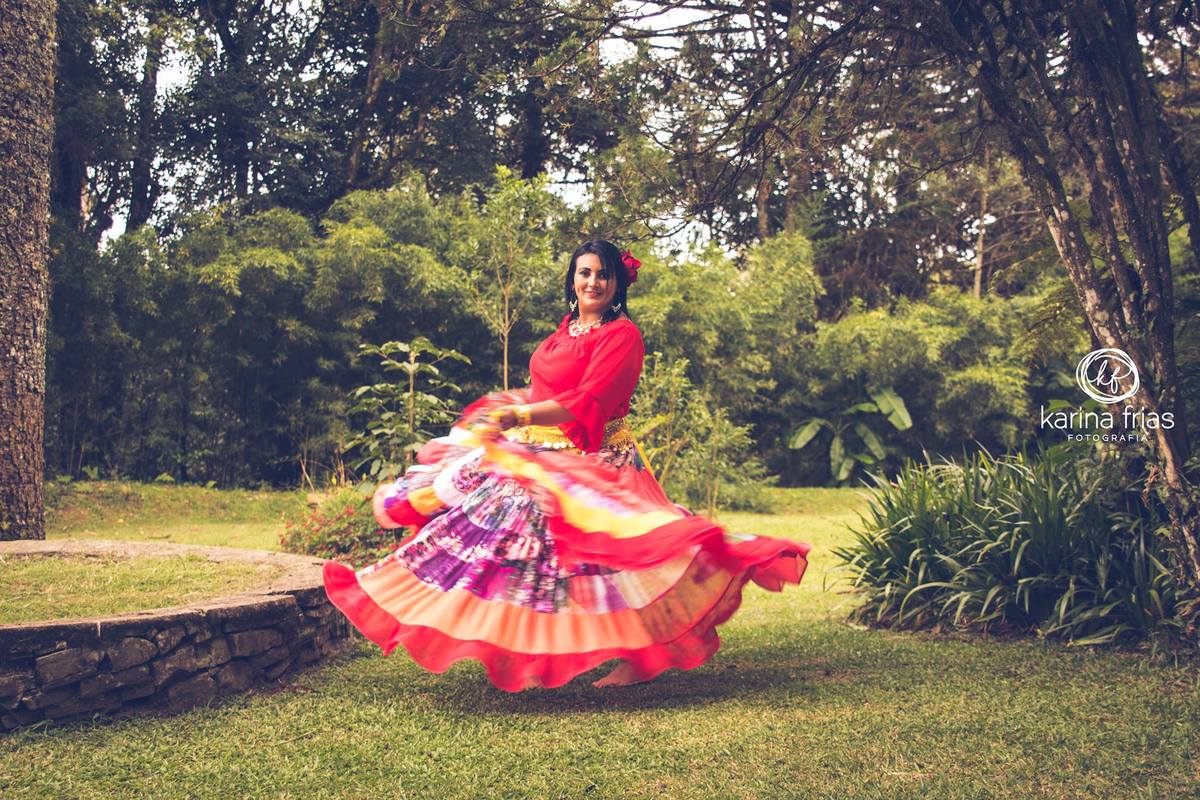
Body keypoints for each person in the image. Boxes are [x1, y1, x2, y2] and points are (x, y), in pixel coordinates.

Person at [322, 239, 812, 691]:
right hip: (543, 453)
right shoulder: (566, 330)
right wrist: (511, 421)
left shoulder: (622, 336)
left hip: (597, 460)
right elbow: (547, 388)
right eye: (584, 273)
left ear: (617, 284)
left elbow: (587, 400)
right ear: (572, 279)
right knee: (524, 552)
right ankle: (533, 650)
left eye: (602, 275)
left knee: (615, 558)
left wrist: (520, 414)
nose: (592, 282)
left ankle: (638, 654)